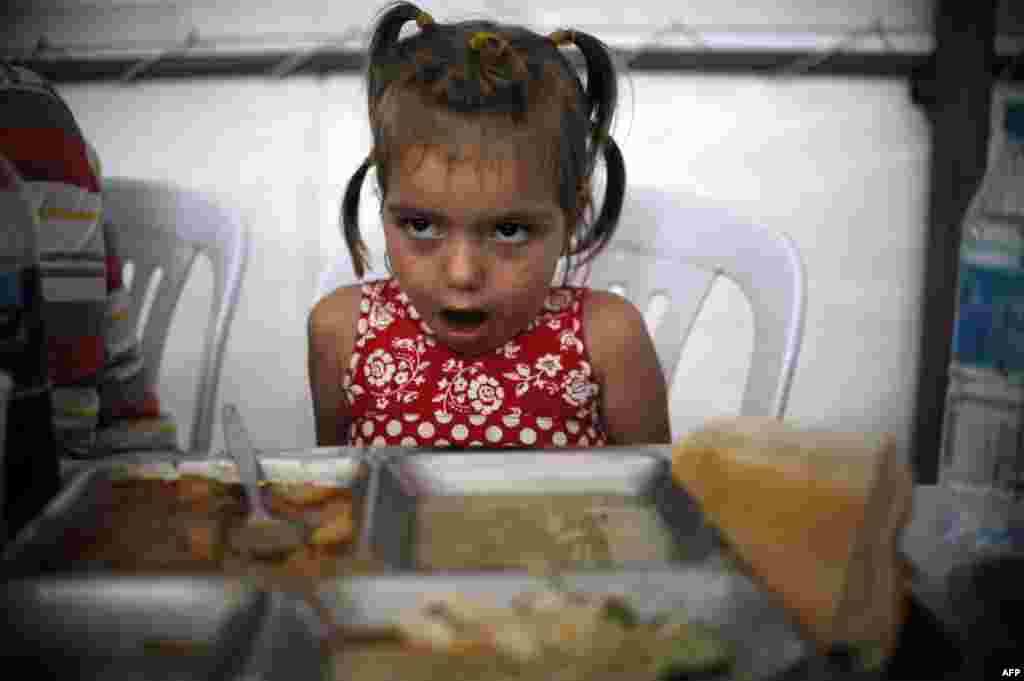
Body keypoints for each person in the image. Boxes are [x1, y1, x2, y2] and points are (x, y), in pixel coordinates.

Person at [308, 2, 670, 449]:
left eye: (508, 231)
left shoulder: (608, 342)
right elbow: (333, 493)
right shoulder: (341, 333)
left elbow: (652, 499)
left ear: (571, 219)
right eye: (421, 225)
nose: (461, 274)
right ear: (384, 208)